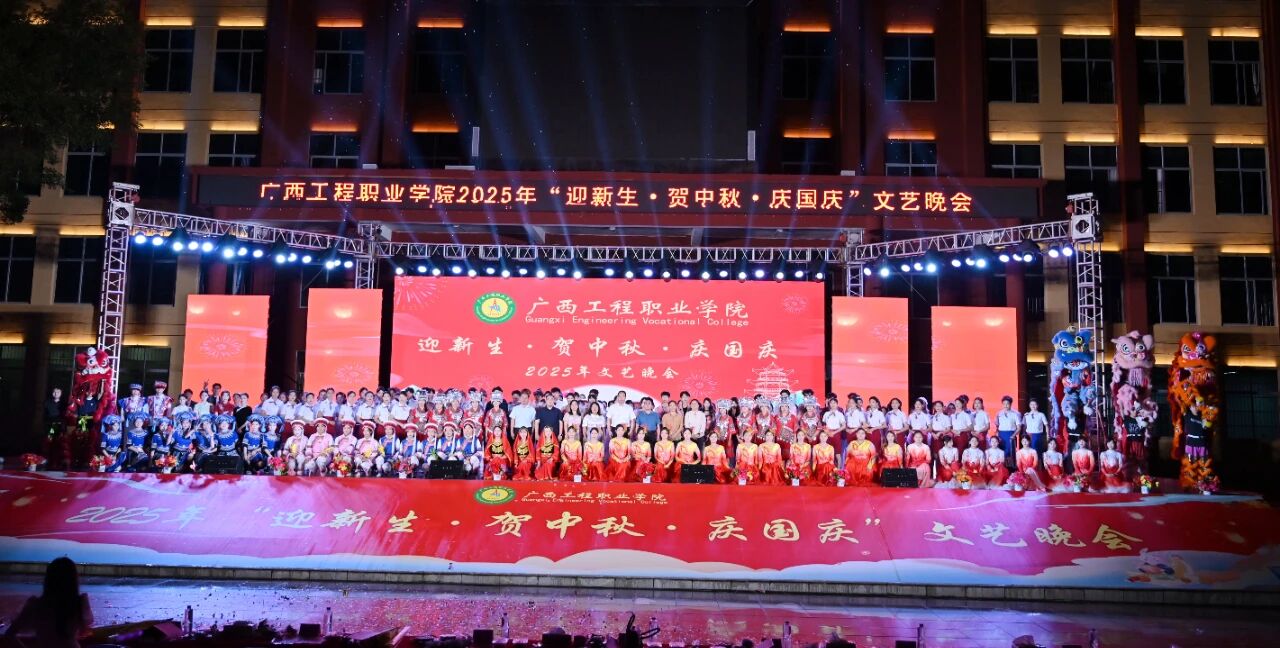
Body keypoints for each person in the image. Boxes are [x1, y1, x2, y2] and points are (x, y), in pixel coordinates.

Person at [4, 557, 93, 648]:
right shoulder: (80, 603)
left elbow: (9, 635)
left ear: (48, 578)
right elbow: (86, 627)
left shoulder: (35, 604)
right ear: (74, 579)